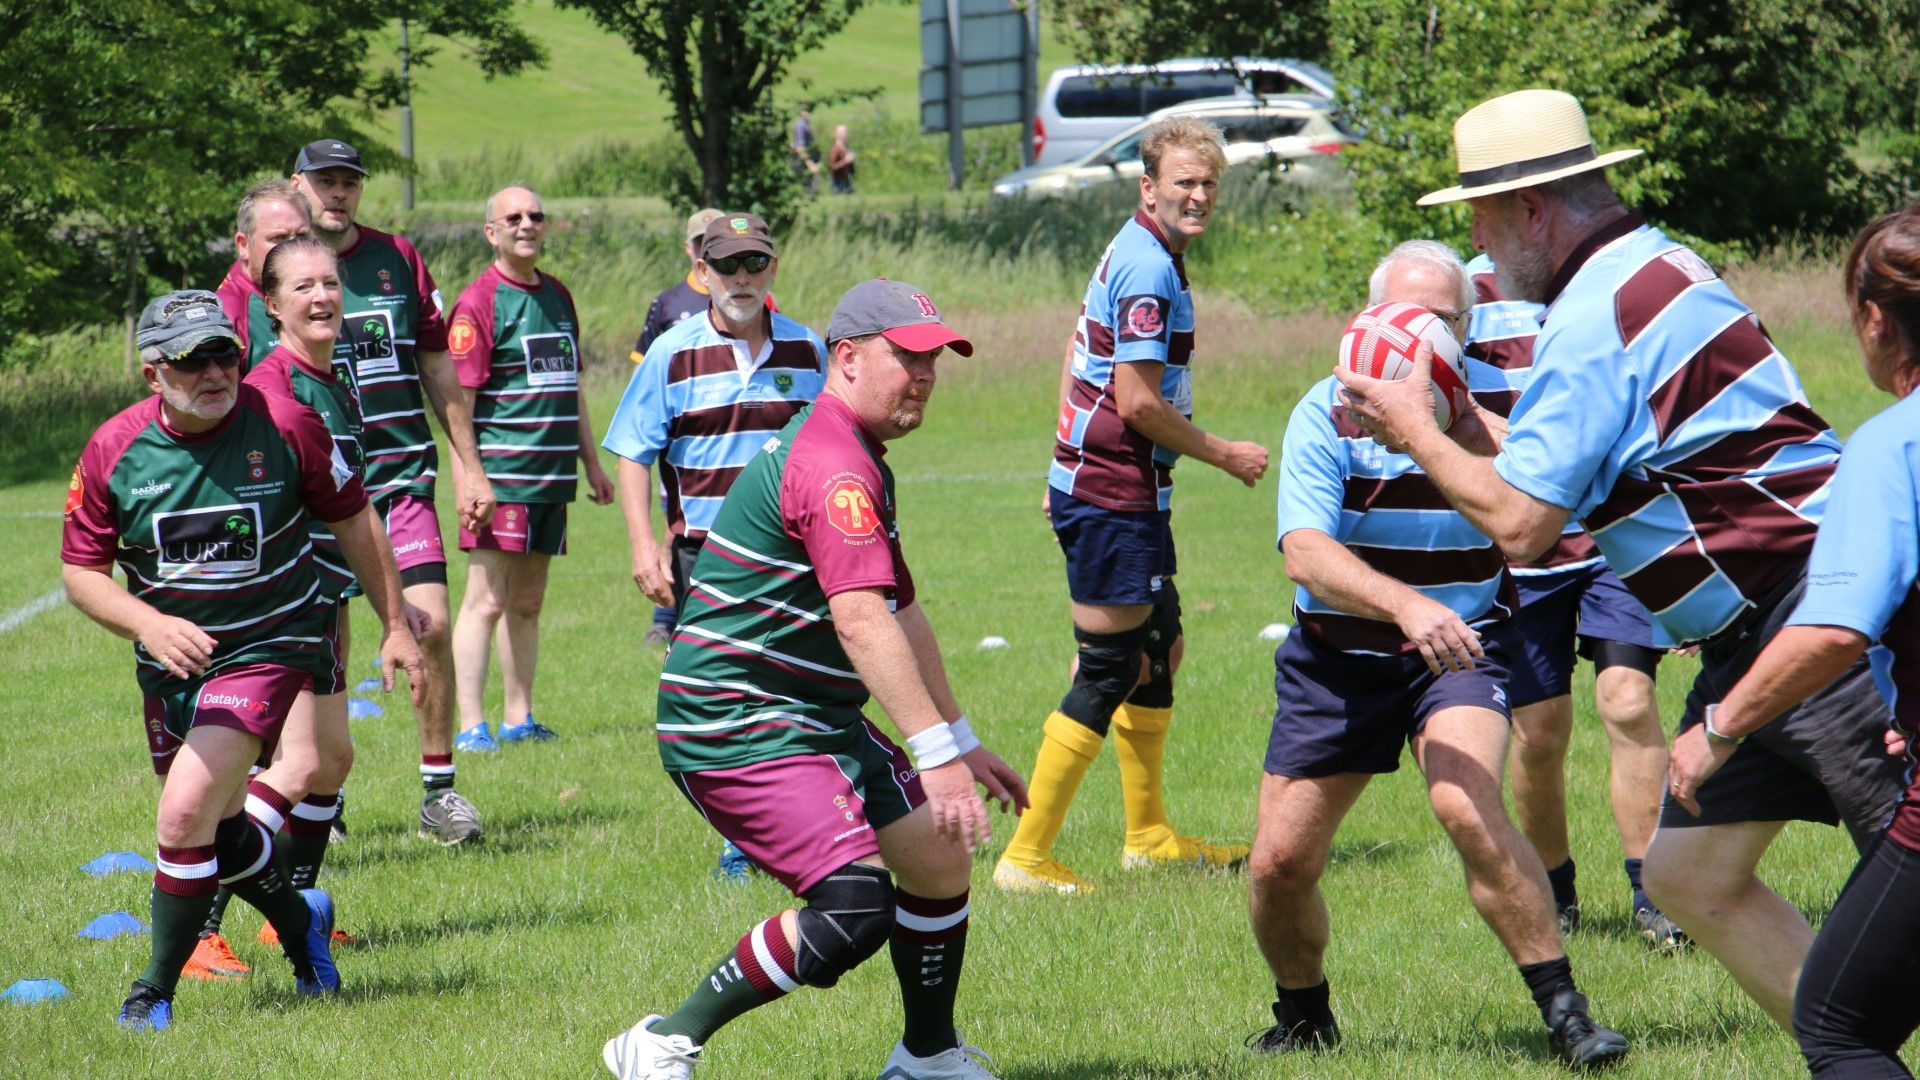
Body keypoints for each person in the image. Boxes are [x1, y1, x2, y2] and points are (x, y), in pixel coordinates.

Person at [1333, 88, 1903, 1030]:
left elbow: (1523, 526)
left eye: (1477, 212)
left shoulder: (1594, 317)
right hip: (1752, 627)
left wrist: (1414, 432)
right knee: (1690, 874)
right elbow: (1564, 479)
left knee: (1905, 865)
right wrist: (1468, 424)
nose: (1475, 240)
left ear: (1530, 210)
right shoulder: (1653, 267)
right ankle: (1855, 1051)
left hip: (1815, 624)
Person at [601, 279, 1028, 1080]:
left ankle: (927, 1057)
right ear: (849, 358)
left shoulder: (853, 449)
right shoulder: (836, 467)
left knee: (938, 861)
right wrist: (932, 757)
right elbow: (862, 623)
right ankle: (662, 1041)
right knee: (855, 910)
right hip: (733, 720)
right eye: (909, 359)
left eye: (935, 361)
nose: (925, 377)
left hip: (804, 711)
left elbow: (899, 610)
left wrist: (960, 741)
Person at [1248, 241, 1629, 1068]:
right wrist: (1405, 604)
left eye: (1444, 321)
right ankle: (1304, 1017)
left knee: (1465, 803)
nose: (1423, 338)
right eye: (1406, 318)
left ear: (1467, 326)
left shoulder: (1504, 411)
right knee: (1279, 864)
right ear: (1370, 319)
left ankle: (1566, 1014)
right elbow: (1305, 553)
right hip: (1338, 658)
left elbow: (1546, 513)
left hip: (1462, 649)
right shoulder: (1326, 408)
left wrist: (1452, 427)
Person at [60, 290, 425, 1031]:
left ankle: (152, 992)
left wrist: (395, 623)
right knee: (222, 832)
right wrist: (149, 624)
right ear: (152, 372)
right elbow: (81, 572)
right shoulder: (113, 451)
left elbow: (355, 520)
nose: (214, 371)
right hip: (172, 660)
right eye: (192, 360)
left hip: (275, 639)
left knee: (185, 809)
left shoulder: (286, 423)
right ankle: (301, 927)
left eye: (224, 353)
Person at [1667, 205, 1920, 1077]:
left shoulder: (1890, 448)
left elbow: (1835, 628)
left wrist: (1721, 730)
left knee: (1841, 1026)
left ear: (1877, 320)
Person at [995, 116, 1268, 896]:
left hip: (1115, 488)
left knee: (1162, 647)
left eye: (1209, 182)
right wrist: (1226, 453)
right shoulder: (1149, 269)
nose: (1199, 195)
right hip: (1113, 494)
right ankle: (1026, 858)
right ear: (1149, 187)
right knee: (1110, 667)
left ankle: (1148, 837)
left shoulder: (1140, 249)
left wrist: (1060, 463)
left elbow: (1076, 351)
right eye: (1184, 181)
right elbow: (1138, 403)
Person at [1461, 253, 1683, 949]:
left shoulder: (1612, 283)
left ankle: (1657, 895)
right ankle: (1555, 889)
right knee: (1540, 734)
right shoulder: (1463, 291)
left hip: (1616, 536)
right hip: (1523, 551)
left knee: (1628, 699)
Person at [605, 211, 824, 880]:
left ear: (772, 270)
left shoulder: (809, 351)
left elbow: (830, 450)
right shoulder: (672, 352)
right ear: (702, 272)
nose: (741, 277)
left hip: (792, 556)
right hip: (707, 555)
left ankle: (805, 824)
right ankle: (742, 839)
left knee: (794, 691)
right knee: (723, 698)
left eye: (754, 263)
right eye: (726, 264)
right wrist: (644, 546)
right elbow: (634, 455)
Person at [290, 140, 500, 815]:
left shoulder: (398, 257)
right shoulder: (279, 271)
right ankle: (326, 796)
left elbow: (438, 366)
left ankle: (439, 789)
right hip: (317, 490)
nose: (338, 193)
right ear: (298, 184)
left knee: (430, 624)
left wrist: (471, 467)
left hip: (400, 474)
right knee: (330, 642)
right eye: (324, 181)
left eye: (349, 181)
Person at [447, 187, 615, 751]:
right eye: (513, 217)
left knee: (528, 602)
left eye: (536, 216)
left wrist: (592, 464)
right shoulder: (480, 302)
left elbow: (573, 390)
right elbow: (458, 407)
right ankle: (472, 726)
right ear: (491, 231)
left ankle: (520, 718)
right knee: (485, 601)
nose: (527, 224)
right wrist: (469, 480)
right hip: (502, 478)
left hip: (551, 480)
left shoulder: (559, 296)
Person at [633, 207, 725, 647]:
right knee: (679, 529)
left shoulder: (749, 298)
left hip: (729, 442)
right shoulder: (668, 303)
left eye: (716, 241)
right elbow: (642, 374)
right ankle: (667, 616)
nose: (707, 249)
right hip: (681, 447)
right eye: (700, 242)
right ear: (689, 249)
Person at [215, 179, 314, 370]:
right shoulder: (226, 315)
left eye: (302, 236)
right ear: (244, 245)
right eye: (278, 238)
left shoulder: (323, 295)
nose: (293, 249)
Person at [791, 104, 820, 192]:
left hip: (807, 159)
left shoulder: (806, 125)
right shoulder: (801, 126)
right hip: (803, 162)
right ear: (802, 112)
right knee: (806, 187)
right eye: (807, 112)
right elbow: (800, 147)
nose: (809, 114)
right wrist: (810, 165)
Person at [828, 125, 856, 195]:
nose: (845, 134)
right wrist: (845, 161)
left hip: (846, 181)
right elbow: (832, 167)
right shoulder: (834, 149)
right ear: (836, 134)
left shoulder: (846, 148)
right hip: (837, 183)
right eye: (843, 132)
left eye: (846, 132)